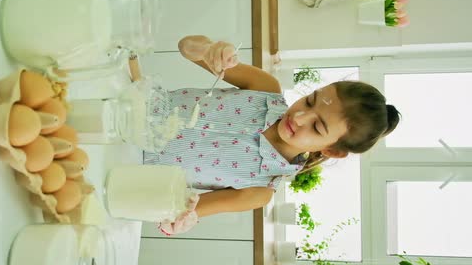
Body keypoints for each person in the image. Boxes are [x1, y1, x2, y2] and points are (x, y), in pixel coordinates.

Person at [143, 35, 401, 235]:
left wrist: (179, 220)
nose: (299, 118)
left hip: (128, 162)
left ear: (331, 150)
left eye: (317, 127)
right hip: (127, 102)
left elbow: (174, 216)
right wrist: (209, 49)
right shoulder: (265, 89)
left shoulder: (259, 189)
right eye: (310, 101)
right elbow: (186, 47)